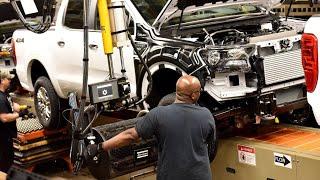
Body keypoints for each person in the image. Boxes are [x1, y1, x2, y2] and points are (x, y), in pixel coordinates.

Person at [87, 75, 216, 180]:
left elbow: (130, 136)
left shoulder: (158, 114)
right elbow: (210, 144)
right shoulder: (206, 115)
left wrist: (100, 146)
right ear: (194, 95)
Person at [0, 70, 29, 173]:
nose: (10, 81)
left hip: (7, 136)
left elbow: (12, 105)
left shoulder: (5, 94)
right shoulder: (0, 98)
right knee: (4, 165)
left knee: (8, 162)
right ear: (2, 80)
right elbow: (4, 118)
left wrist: (23, 108)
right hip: (2, 140)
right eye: (8, 79)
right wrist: (20, 114)